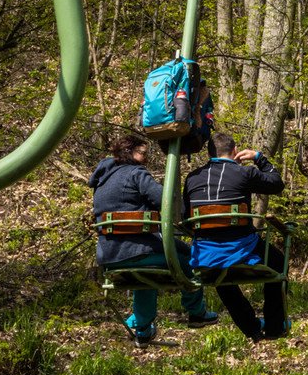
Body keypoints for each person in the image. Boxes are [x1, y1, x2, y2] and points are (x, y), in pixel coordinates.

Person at [90, 132, 216, 345]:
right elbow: (163, 198)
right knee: (190, 257)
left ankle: (143, 328)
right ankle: (196, 312)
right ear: (128, 152)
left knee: (146, 276)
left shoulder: (102, 179)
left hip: (110, 256)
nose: (146, 158)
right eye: (143, 153)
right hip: (136, 251)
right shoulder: (136, 173)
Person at [185, 130, 288, 341]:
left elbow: (184, 216)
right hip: (242, 248)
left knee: (217, 272)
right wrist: (259, 158)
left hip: (205, 254)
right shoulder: (244, 173)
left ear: (209, 155)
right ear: (235, 151)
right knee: (278, 262)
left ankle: (252, 329)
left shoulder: (192, 178)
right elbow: (277, 183)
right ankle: (275, 327)